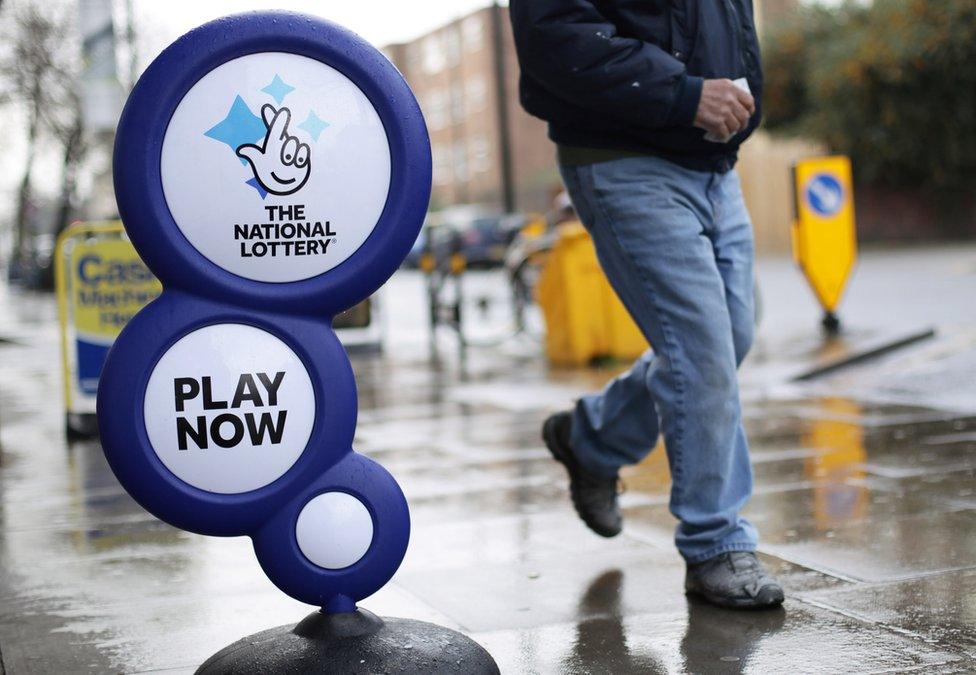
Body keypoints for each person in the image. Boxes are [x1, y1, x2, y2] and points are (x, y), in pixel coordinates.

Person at [509, 0, 784, 609]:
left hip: (713, 161)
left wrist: (733, 106)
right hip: (624, 161)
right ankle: (715, 543)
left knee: (730, 336)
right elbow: (554, 33)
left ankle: (593, 439)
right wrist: (686, 96)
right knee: (702, 350)